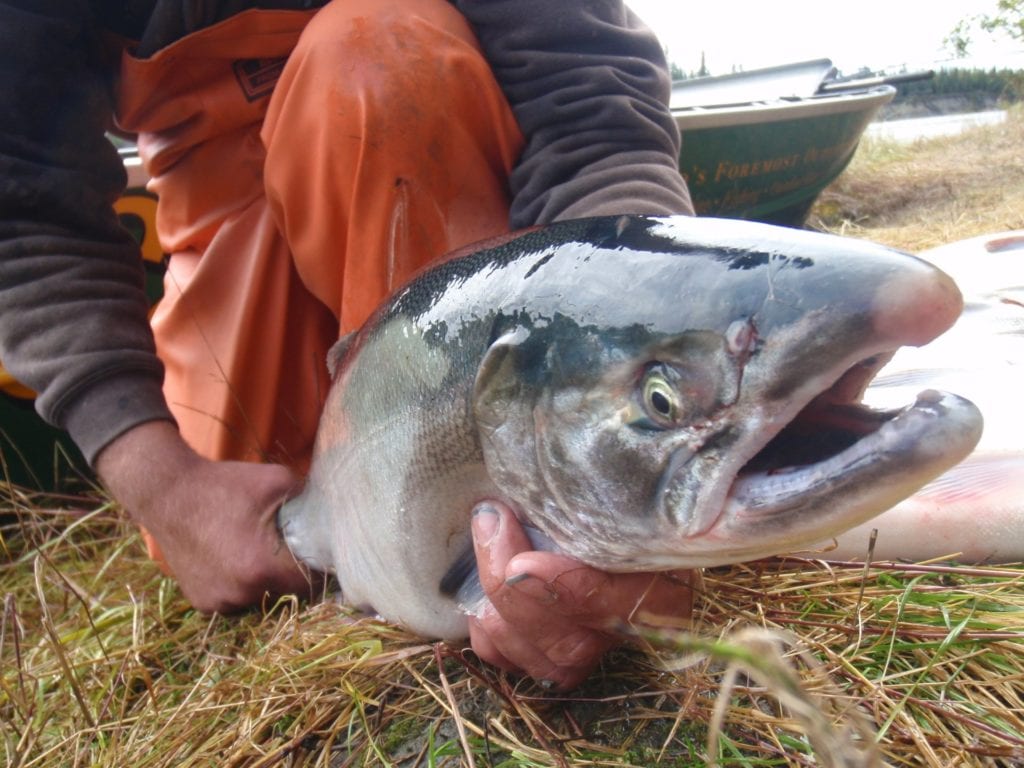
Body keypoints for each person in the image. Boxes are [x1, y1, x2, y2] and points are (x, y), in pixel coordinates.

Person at [0, 0, 695, 690]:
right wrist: (164, 485)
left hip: (417, 130)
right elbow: (22, 205)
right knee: (241, 542)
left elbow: (589, 102)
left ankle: (487, 524)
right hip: (213, 201)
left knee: (373, 50)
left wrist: (628, 388)